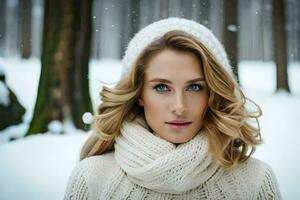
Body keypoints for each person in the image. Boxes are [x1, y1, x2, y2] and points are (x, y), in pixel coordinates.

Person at [64, 18, 281, 199]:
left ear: (214, 93)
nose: (179, 107)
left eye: (195, 87)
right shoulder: (92, 178)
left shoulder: (255, 181)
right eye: (161, 87)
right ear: (139, 93)